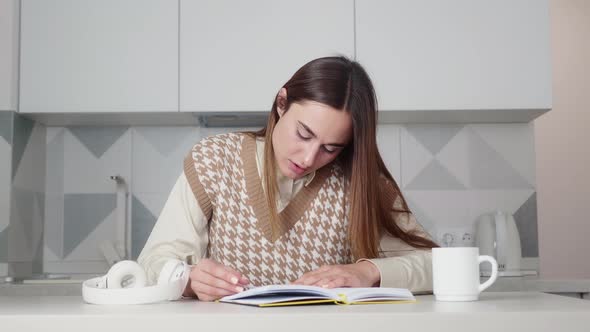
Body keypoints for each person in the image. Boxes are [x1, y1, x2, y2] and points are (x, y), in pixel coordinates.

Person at [137, 56, 439, 301]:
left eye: (331, 148)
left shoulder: (362, 183)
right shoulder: (215, 160)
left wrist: (368, 272)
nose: (308, 159)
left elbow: (438, 265)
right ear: (281, 103)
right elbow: (153, 262)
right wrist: (189, 279)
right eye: (303, 134)